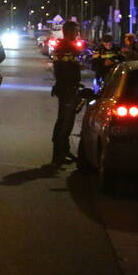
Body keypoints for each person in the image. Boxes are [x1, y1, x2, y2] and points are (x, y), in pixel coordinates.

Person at [49, 21, 83, 168]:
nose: (78, 34)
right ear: (69, 32)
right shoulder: (65, 47)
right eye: (76, 31)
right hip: (66, 89)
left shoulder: (68, 47)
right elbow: (62, 71)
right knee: (64, 122)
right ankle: (58, 155)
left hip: (70, 87)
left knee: (68, 122)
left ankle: (65, 151)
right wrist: (70, 84)